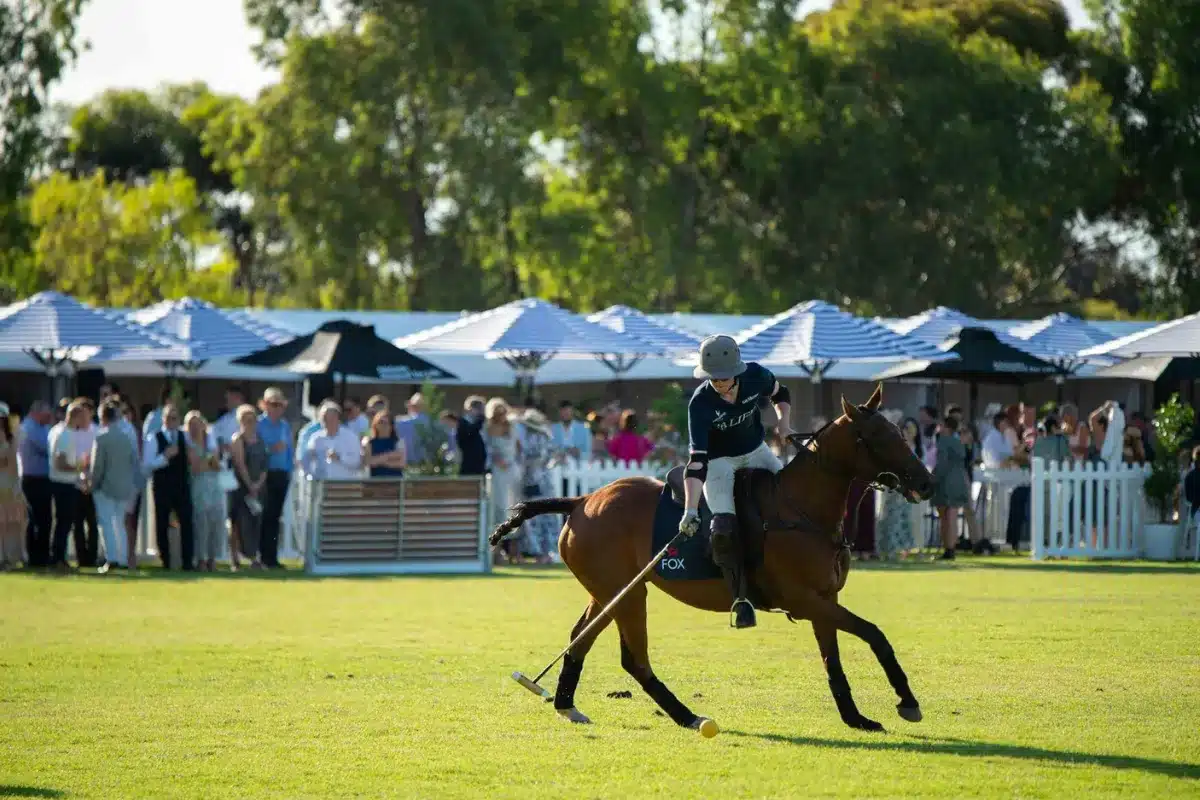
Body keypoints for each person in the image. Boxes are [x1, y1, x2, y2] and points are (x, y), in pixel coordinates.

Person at [678, 334, 793, 629]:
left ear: (737, 371)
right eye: (712, 379)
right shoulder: (700, 404)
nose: (718, 384)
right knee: (724, 527)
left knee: (791, 499)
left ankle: (796, 576)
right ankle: (741, 599)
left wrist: (783, 422)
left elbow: (782, 393)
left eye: (724, 378)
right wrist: (690, 510)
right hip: (719, 462)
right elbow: (697, 461)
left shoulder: (756, 376)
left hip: (757, 451)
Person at [89, 402, 139, 570]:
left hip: (105, 487)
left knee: (106, 524)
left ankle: (112, 559)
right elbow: (133, 462)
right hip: (124, 486)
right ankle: (123, 559)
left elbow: (97, 466)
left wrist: (92, 484)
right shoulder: (127, 437)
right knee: (119, 524)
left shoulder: (101, 437)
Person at [144, 404, 194, 571]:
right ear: (163, 419)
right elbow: (147, 464)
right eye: (168, 418)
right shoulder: (154, 437)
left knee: (186, 522)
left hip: (182, 485)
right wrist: (164, 457)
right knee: (162, 522)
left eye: (175, 418)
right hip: (162, 486)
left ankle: (188, 561)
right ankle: (166, 560)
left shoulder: (183, 436)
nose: (172, 421)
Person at [184, 411, 225, 572]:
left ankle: (212, 559)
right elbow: (195, 467)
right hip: (198, 486)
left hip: (214, 486)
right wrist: (208, 461)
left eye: (197, 424)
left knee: (216, 521)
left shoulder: (210, 439)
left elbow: (216, 464)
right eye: (191, 425)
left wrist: (208, 462)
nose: (194, 428)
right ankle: (200, 559)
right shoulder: (188, 443)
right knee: (201, 523)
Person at [257, 387, 293, 569]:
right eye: (273, 404)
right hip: (265, 474)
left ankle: (271, 557)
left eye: (280, 404)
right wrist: (271, 449)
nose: (277, 408)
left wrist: (289, 471)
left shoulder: (284, 425)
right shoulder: (258, 424)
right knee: (265, 516)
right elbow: (255, 452)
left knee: (275, 517)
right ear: (265, 404)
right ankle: (263, 556)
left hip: (281, 474)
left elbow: (289, 451)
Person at [230, 404, 268, 570]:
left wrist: (258, 484)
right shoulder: (237, 439)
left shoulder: (260, 439)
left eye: (252, 420)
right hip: (241, 487)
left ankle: (255, 558)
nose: (250, 423)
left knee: (256, 523)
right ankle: (235, 559)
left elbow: (265, 465)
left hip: (258, 487)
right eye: (246, 420)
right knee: (238, 523)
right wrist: (249, 485)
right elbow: (240, 464)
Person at [483, 397, 521, 563]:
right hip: (498, 472)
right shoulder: (487, 428)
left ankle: (514, 552)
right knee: (498, 509)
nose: (501, 415)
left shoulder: (512, 427)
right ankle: (496, 551)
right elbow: (487, 450)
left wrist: (515, 463)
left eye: (503, 412)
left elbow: (519, 448)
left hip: (512, 471)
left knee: (515, 509)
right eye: (498, 412)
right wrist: (497, 460)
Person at [17, 401, 53, 567]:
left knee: (45, 519)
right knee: (34, 520)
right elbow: (48, 447)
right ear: (36, 413)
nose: (49, 418)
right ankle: (34, 556)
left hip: (44, 478)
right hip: (32, 479)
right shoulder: (28, 428)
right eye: (46, 414)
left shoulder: (43, 427)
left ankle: (43, 555)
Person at [932, 416, 970, 560]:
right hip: (959, 479)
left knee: (944, 517)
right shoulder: (958, 441)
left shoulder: (943, 441)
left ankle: (947, 548)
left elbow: (942, 463)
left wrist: (933, 478)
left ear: (946, 427)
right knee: (953, 516)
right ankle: (951, 548)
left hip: (946, 481)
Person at [304, 401, 364, 480]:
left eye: (330, 418)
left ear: (337, 418)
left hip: (345, 484)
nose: (327, 421)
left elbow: (357, 461)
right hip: (322, 485)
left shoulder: (350, 437)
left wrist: (339, 457)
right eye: (324, 418)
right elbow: (307, 460)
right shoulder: (315, 438)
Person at [0, 407, 26, 569]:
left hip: (9, 483)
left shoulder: (11, 439)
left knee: (12, 523)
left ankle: (11, 556)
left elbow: (12, 462)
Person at [363, 412, 406, 477]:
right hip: (376, 481)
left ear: (391, 426)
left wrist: (378, 460)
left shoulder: (399, 441)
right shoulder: (370, 442)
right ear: (375, 425)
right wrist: (389, 455)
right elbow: (368, 462)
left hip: (395, 481)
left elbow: (402, 463)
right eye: (380, 422)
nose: (383, 425)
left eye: (386, 423)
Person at [456, 396, 487, 476]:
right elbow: (469, 434)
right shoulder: (463, 423)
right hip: (468, 464)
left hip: (480, 464)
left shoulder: (479, 423)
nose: (481, 412)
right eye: (479, 409)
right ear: (471, 408)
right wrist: (480, 420)